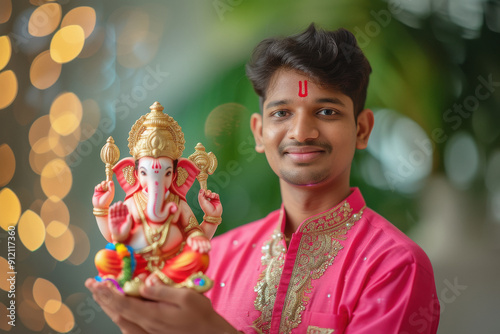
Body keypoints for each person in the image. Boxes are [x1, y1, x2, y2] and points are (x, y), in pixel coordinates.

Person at [86, 24, 440, 334]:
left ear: (361, 130)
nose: (301, 132)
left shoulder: (394, 267)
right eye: (282, 113)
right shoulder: (218, 255)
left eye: (327, 111)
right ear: (259, 132)